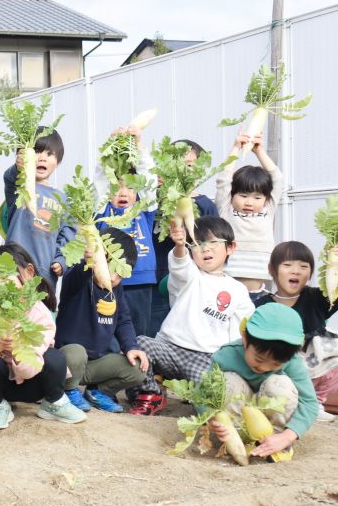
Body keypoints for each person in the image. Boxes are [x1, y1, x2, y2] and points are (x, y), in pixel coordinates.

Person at [129, 216, 254, 415]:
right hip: (169, 347)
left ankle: (194, 398)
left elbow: (242, 329)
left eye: (213, 242)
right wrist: (180, 245)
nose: (205, 249)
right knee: (139, 346)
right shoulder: (189, 276)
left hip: (205, 357)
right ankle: (150, 394)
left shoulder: (238, 290)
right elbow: (179, 264)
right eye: (196, 244)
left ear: (231, 247)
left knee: (211, 398)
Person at [0, 243, 86, 428]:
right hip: (2, 385)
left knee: (55, 358)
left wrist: (17, 350)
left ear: (29, 272)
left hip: (35, 382)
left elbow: (32, 361)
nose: (1, 287)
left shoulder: (40, 312)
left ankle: (53, 403)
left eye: (6, 278)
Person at [55, 229, 149, 414]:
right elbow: (74, 277)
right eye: (110, 269)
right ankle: (68, 390)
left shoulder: (117, 289)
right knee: (76, 352)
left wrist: (131, 347)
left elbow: (123, 320)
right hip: (68, 362)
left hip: (95, 364)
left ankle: (97, 393)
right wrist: (88, 262)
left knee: (138, 368)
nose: (113, 278)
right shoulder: (79, 278)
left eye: (120, 274)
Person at [208, 303, 319, 459]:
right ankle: (237, 442)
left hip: (272, 424)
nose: (265, 367)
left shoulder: (292, 362)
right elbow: (203, 394)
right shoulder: (226, 356)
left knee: (280, 385)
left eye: (275, 364)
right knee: (226, 382)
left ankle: (275, 442)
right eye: (259, 359)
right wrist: (212, 419)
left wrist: (287, 436)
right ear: (245, 338)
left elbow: (310, 403)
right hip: (238, 419)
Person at [255, 241, 337, 422]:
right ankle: (292, 403)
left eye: (303, 266)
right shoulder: (262, 305)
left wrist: (334, 262)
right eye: (287, 265)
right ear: (271, 270)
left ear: (310, 273)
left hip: (315, 364)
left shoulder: (318, 298)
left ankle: (314, 403)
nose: (296, 271)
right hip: (282, 365)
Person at [149, 139, 218, 335]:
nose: (182, 170)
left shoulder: (205, 205)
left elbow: (212, 244)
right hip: (158, 280)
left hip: (194, 283)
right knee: (155, 330)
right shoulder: (153, 202)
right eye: (176, 164)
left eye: (189, 165)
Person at [94, 126, 158, 337]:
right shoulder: (103, 211)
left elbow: (148, 180)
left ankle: (141, 366)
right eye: (116, 187)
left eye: (130, 187)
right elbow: (100, 182)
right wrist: (109, 149)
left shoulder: (143, 210)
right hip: (108, 280)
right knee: (109, 332)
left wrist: (139, 146)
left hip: (140, 280)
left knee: (140, 334)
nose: (123, 193)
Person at [0, 127, 75, 287]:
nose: (42, 158)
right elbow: (9, 177)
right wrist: (19, 166)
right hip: (13, 267)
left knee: (42, 312)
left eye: (49, 154)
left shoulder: (63, 199)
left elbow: (68, 236)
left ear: (58, 161)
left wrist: (62, 261)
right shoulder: (19, 185)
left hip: (44, 271)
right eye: (37, 152)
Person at [215, 130, 282, 297]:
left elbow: (277, 179)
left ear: (266, 199)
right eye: (243, 196)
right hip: (229, 289)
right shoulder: (227, 209)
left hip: (257, 290)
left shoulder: (268, 209)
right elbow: (224, 179)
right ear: (232, 195)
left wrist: (259, 151)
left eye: (257, 197)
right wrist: (236, 147)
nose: (249, 202)